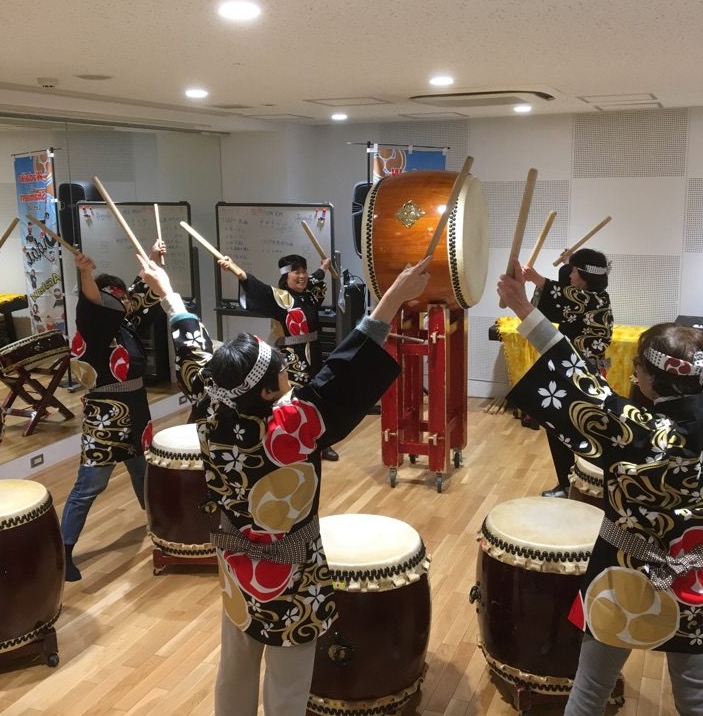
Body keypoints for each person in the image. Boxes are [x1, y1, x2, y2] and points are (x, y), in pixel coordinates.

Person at [497, 258, 703, 716]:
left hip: (619, 574)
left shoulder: (628, 427)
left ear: (648, 378)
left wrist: (521, 304)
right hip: (693, 576)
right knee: (696, 697)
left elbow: (569, 366)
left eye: (638, 369)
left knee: (590, 692)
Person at [139, 253, 430, 716]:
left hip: (236, 558)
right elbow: (348, 367)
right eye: (280, 367)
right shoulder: (292, 426)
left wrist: (167, 292)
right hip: (293, 569)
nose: (288, 370)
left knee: (235, 663)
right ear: (268, 391)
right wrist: (393, 297)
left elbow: (191, 342)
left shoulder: (212, 401)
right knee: (289, 683)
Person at [59, 240, 166, 582]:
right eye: (114, 297)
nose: (122, 301)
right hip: (104, 416)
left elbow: (141, 292)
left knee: (144, 475)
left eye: (122, 297)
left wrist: (154, 257)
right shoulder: (93, 324)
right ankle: (62, 551)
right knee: (90, 485)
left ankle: (163, 531)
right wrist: (85, 273)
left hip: (136, 410)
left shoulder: (124, 323)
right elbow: (94, 300)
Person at [218, 252, 341, 461]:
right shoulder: (280, 298)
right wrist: (234, 269)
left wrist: (325, 266)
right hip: (293, 357)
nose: (302, 276)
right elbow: (257, 287)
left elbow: (316, 277)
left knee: (318, 397)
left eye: (304, 271)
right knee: (295, 399)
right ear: (286, 276)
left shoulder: (309, 294)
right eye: (296, 272)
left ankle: (322, 444)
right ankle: (293, 442)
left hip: (314, 352)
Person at [521, 247, 613, 497]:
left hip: (582, 373)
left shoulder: (592, 300)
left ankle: (579, 487)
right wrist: (568, 263)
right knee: (559, 427)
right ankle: (568, 483)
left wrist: (536, 278)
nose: (570, 275)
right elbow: (564, 297)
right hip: (573, 369)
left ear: (585, 276)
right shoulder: (590, 296)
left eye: (574, 271)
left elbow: (564, 294)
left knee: (571, 429)